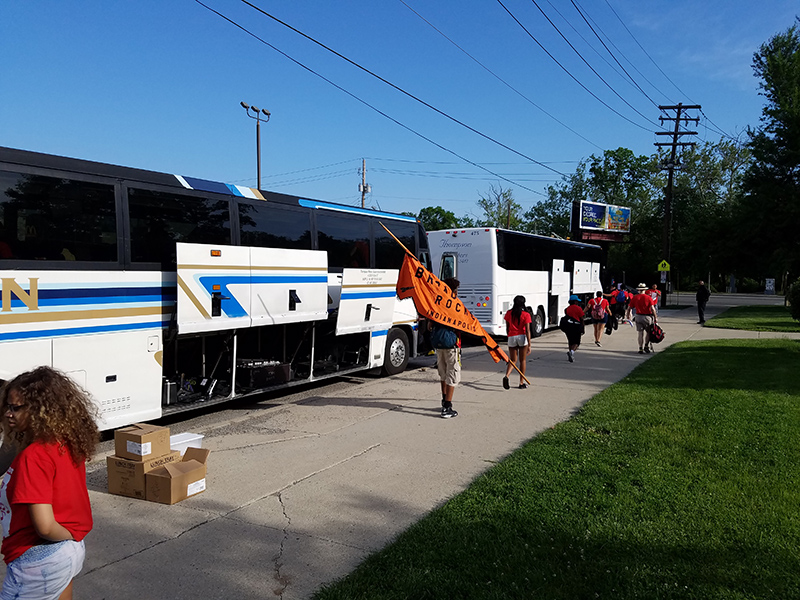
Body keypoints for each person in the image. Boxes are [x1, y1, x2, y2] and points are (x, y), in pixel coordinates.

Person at [0, 366, 99, 600]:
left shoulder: (33, 456)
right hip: (70, 550)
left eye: (15, 408)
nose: (7, 414)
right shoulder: (66, 443)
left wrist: (67, 537)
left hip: (38, 557)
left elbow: (44, 526)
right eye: (7, 407)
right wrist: (72, 539)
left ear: (38, 409)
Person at [430, 277, 461, 419]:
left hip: (439, 343)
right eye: (456, 290)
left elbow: (430, 324)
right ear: (453, 290)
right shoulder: (454, 304)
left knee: (443, 374)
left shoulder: (437, 302)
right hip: (451, 344)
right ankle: (447, 407)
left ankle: (444, 401)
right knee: (452, 375)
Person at [503, 295, 532, 389]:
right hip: (522, 336)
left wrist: (509, 335)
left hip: (511, 336)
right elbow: (528, 330)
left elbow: (507, 327)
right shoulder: (526, 314)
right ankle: (521, 382)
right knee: (522, 360)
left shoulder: (509, 313)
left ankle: (507, 376)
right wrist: (530, 344)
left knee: (513, 360)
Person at [630, 283, 657, 354]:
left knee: (640, 333)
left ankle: (640, 348)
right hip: (647, 317)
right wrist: (655, 317)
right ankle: (646, 345)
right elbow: (652, 308)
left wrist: (628, 316)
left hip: (638, 316)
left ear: (638, 290)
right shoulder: (648, 298)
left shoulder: (635, 297)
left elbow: (629, 308)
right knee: (648, 332)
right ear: (645, 290)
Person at [561, 295, 585, 362]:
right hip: (576, 326)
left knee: (570, 341)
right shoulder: (578, 308)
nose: (577, 302)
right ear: (575, 301)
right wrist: (583, 328)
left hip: (568, 327)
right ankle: (571, 352)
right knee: (577, 342)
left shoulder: (567, 309)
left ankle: (570, 354)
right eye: (577, 301)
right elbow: (581, 319)